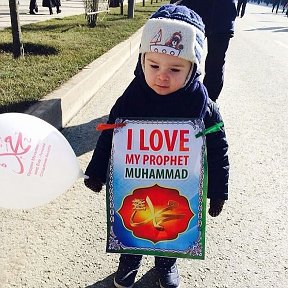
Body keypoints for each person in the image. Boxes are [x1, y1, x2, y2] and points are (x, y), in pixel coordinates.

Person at [84, 4, 229, 288]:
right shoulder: (132, 97)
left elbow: (217, 146)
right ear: (141, 61)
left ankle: (166, 262)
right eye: (153, 65)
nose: (162, 75)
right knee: (135, 219)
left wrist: (218, 190)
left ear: (193, 67)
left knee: (170, 224)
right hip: (136, 183)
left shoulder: (202, 104)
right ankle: (129, 259)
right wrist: (97, 171)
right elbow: (110, 136)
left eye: (175, 68)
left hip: (178, 184)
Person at [170, 0, 237, 102]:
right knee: (186, 57)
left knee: (186, 56)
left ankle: (207, 102)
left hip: (207, 11)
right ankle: (206, 102)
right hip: (220, 12)